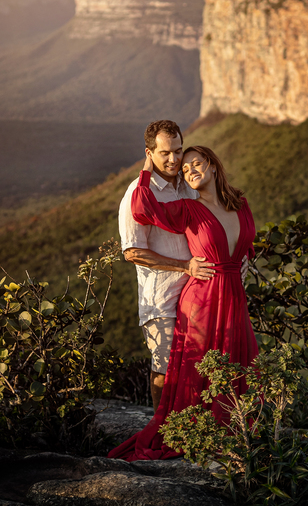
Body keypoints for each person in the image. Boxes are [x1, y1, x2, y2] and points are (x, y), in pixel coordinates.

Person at [109, 145, 259, 462]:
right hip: (202, 300)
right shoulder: (186, 209)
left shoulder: (241, 204)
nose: (189, 169)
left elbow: (246, 241)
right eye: (185, 167)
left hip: (233, 295)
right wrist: (147, 166)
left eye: (196, 163)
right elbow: (142, 208)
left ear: (214, 166)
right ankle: (200, 436)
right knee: (200, 371)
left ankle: (234, 434)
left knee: (240, 364)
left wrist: (243, 258)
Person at [118, 120, 214, 412]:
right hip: (160, 298)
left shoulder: (190, 185)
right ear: (149, 153)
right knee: (165, 365)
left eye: (178, 151)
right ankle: (160, 430)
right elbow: (133, 251)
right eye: (165, 153)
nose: (174, 159)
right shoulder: (137, 194)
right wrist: (184, 265)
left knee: (200, 364)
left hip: (198, 294)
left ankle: (192, 428)